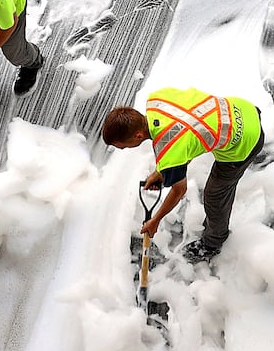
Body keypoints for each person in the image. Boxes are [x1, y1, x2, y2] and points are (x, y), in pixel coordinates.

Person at [102, 87, 264, 262]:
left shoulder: (168, 152)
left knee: (215, 195)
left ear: (138, 136)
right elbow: (185, 129)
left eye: (123, 146)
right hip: (242, 109)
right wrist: (162, 171)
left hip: (246, 140)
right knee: (195, 133)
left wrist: (155, 220)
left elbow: (179, 191)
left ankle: (213, 243)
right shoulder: (157, 99)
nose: (124, 149)